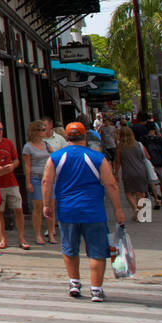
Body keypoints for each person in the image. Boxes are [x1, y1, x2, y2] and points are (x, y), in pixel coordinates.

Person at [41, 122, 126, 302]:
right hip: (93, 211)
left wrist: (47, 205)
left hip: (67, 210)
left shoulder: (56, 157)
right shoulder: (97, 157)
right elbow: (111, 184)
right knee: (96, 251)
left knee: (69, 248)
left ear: (67, 137)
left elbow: (46, 182)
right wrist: (118, 209)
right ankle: (96, 289)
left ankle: (74, 283)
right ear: (84, 136)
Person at [0, 120, 27, 249]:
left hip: (11, 182)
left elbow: (16, 159)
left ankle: (21, 237)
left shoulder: (8, 143)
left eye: (1, 129)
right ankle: (3, 238)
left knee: (18, 209)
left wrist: (12, 166)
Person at [22, 120, 52, 244]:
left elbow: (53, 160)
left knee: (50, 205)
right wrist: (28, 182)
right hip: (35, 177)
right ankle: (38, 235)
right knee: (38, 207)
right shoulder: (28, 147)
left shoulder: (46, 145)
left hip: (48, 177)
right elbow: (27, 165)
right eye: (43, 129)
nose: (45, 132)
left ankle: (51, 233)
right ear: (36, 131)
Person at [114, 125, 151, 220]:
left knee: (129, 193)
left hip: (128, 172)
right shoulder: (139, 145)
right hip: (141, 171)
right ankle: (141, 213)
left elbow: (117, 161)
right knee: (140, 193)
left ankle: (135, 209)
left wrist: (115, 173)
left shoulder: (120, 147)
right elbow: (148, 157)